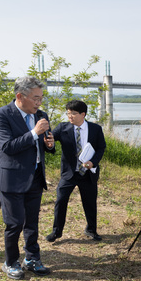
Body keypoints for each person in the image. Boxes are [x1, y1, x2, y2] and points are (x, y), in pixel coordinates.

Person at [0, 77, 55, 279]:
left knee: (32, 222)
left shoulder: (41, 115)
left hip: (35, 176)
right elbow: (8, 147)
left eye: (41, 98)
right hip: (11, 177)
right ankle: (10, 262)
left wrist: (49, 144)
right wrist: (35, 133)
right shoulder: (1, 115)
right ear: (20, 96)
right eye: (35, 98)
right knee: (14, 223)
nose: (39, 103)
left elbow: (44, 144)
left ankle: (32, 258)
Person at [45, 99, 106, 242]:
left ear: (83, 114)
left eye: (73, 113)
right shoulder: (62, 128)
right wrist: (50, 144)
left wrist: (93, 162)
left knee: (90, 202)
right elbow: (50, 142)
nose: (69, 116)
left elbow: (101, 148)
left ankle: (91, 229)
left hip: (88, 173)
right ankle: (56, 232)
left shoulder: (95, 129)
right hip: (69, 173)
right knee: (61, 200)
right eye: (68, 113)